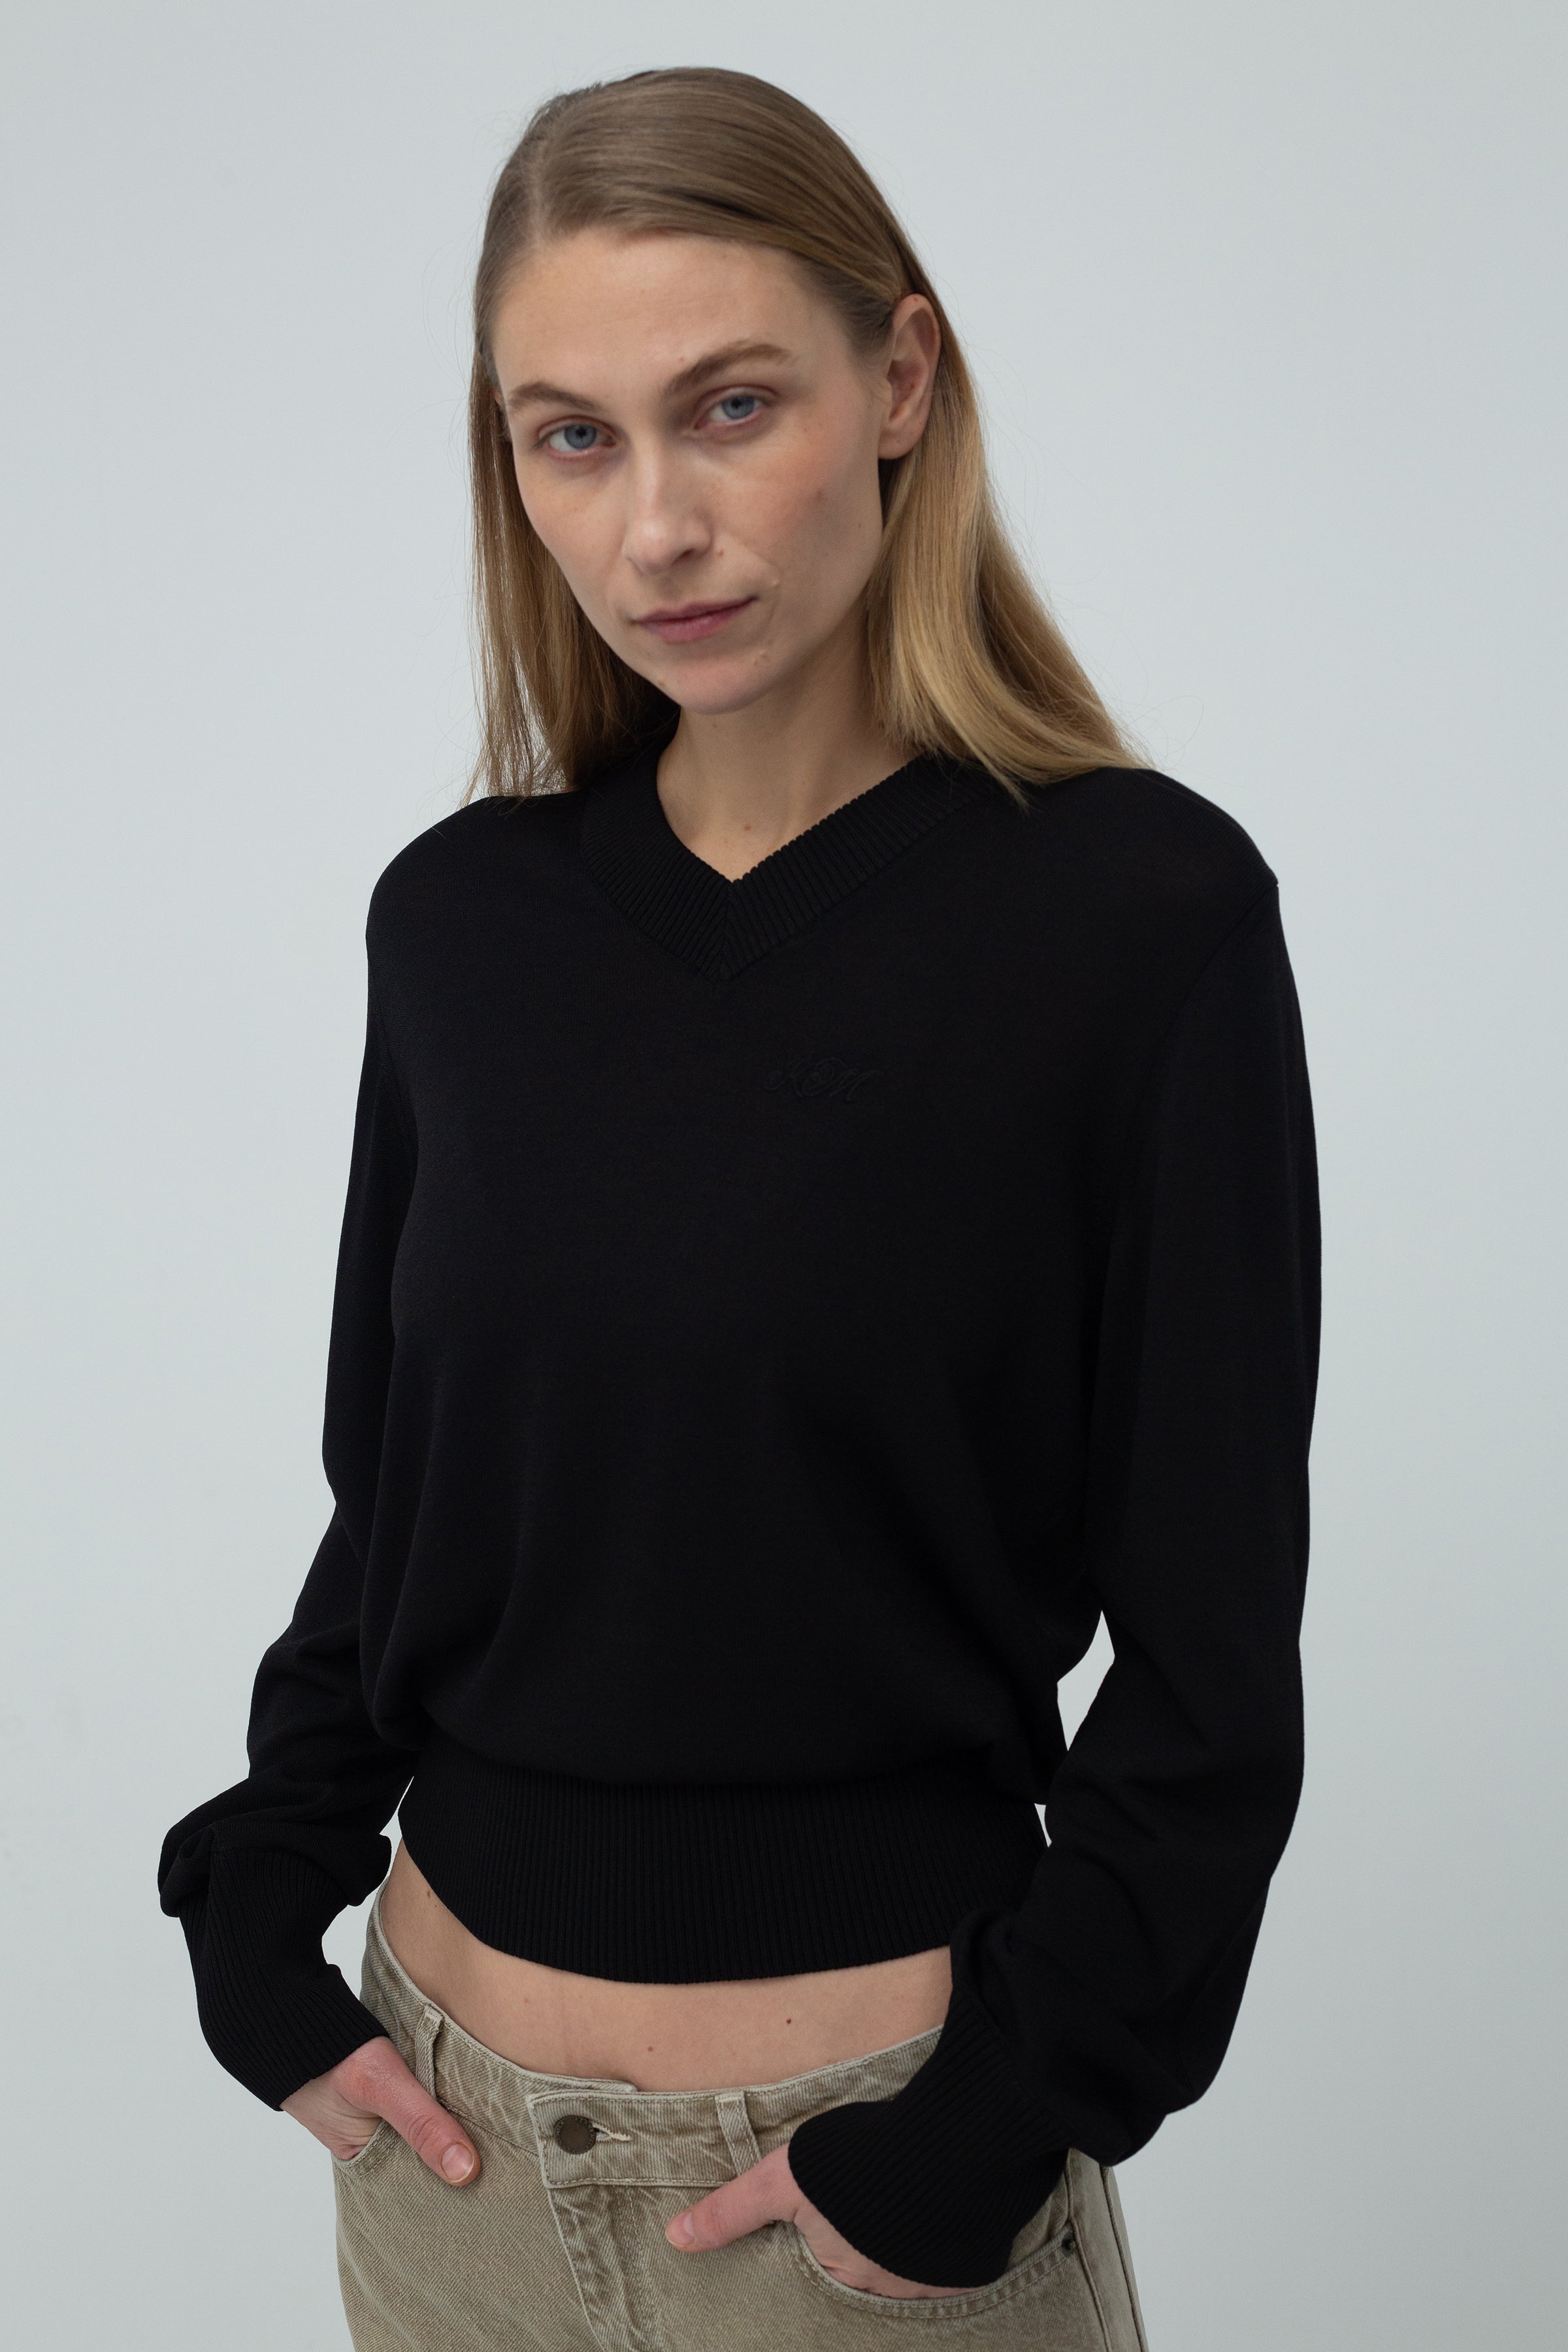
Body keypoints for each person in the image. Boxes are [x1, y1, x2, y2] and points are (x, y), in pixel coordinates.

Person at [157, 65, 1320, 2352]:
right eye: (570, 437)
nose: (656, 526)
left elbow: (1211, 1668)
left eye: (731, 407)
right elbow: (406, 1503)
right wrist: (257, 1902)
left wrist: (997, 2127)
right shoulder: (462, 924)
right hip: (446, 2169)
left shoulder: (1139, 920)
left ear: (900, 383)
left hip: (856, 2202)